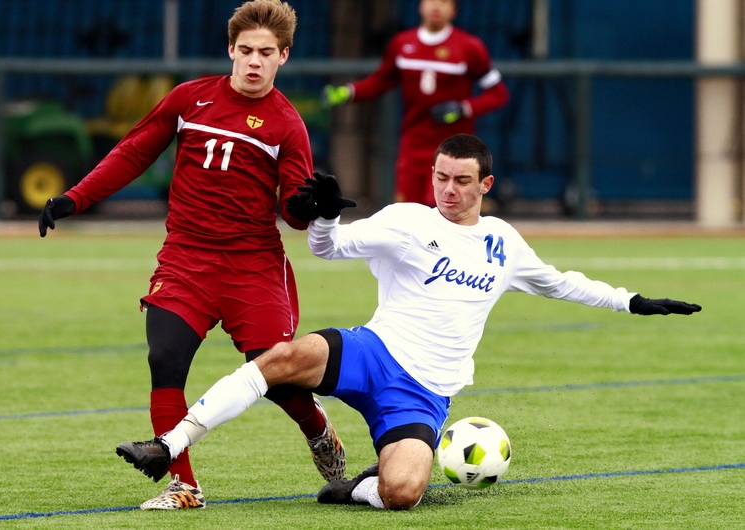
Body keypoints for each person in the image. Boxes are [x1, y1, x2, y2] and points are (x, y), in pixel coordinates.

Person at [114, 134, 701, 510]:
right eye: (441, 177)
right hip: (373, 352)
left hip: (422, 393)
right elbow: (327, 248)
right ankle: (169, 446)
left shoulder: (503, 242)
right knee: (281, 357)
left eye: (462, 181)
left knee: (403, 493)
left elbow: (559, 282)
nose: (449, 189)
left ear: (485, 185)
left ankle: (358, 487)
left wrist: (632, 301)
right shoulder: (405, 221)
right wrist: (324, 216)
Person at [38, 0, 346, 511]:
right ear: (230, 49)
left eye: (265, 52)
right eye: (245, 50)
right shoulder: (190, 98)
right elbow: (134, 151)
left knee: (273, 376)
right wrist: (75, 198)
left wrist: (311, 206)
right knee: (165, 359)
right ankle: (184, 486)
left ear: (284, 56)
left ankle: (318, 431)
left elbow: (293, 212)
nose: (253, 61)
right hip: (186, 260)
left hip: (253, 266)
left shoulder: (288, 125)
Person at [322, 0, 509, 207]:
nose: (436, 6)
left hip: (452, 148)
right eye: (430, 1)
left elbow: (498, 94)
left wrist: (463, 108)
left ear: (454, 10)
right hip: (412, 144)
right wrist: (349, 92)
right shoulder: (402, 43)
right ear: (420, 6)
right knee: (409, 210)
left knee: (440, 208)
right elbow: (380, 81)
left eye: (444, 2)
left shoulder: (469, 47)